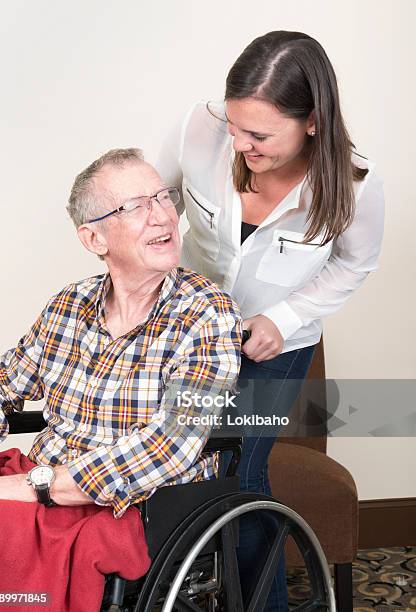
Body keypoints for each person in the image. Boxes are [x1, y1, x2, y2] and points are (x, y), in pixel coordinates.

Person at [157, 30, 385, 610]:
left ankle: (260, 604)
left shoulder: (355, 183)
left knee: (240, 472)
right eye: (234, 127)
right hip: (183, 332)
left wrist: (284, 317)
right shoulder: (198, 128)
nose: (239, 144)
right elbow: (157, 205)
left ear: (312, 121)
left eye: (258, 135)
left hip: (274, 348)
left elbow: (355, 264)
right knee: (168, 466)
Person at [0, 148, 242, 516]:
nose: (163, 216)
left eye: (162, 197)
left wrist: (34, 486)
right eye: (136, 206)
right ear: (94, 240)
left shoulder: (208, 313)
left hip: (132, 506)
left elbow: (170, 446)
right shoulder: (68, 305)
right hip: (42, 489)